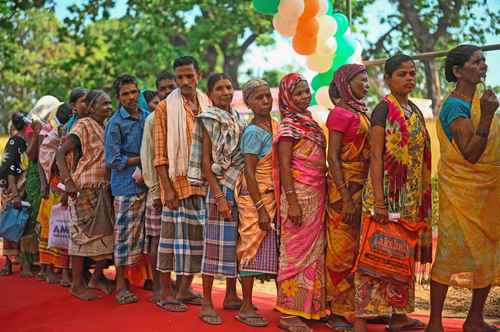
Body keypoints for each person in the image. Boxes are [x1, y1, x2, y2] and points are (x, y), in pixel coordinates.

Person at [354, 54, 432, 332]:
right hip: (384, 195)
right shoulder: (382, 111)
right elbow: (376, 157)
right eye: (402, 74)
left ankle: (399, 316)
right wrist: (379, 201)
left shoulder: (416, 111)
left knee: (401, 258)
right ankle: (361, 320)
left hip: (409, 199)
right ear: (387, 79)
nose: (409, 78)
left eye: (412, 73)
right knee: (373, 257)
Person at [426, 45, 499, 332]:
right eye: (476, 62)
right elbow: (470, 152)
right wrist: (489, 116)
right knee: (447, 253)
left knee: (488, 253)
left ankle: (474, 318)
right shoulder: (456, 106)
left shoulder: (480, 100)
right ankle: (434, 323)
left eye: (484, 61)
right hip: (461, 192)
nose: (483, 66)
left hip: (487, 194)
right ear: (458, 71)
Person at [188, 73, 246, 325]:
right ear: (210, 94)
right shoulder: (208, 118)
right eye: (219, 88)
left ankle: (232, 295)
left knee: (234, 244)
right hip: (219, 189)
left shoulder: (237, 117)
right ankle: (207, 302)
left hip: (240, 185)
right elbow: (205, 163)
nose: (225, 92)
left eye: (229, 87)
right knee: (214, 245)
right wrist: (220, 196)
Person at [153, 56, 210, 312]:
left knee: (197, 242)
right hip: (177, 185)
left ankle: (185, 289)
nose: (185, 81)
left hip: (204, 184)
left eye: (189, 76)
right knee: (170, 243)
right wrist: (166, 188)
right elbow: (160, 154)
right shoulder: (165, 108)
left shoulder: (206, 104)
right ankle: (166, 293)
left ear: (199, 75)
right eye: (180, 77)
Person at [275, 73, 327, 332]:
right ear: (287, 97)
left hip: (317, 195)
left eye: (306, 91)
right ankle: (288, 312)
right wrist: (292, 202)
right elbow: (284, 165)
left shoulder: (312, 122)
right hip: (298, 196)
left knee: (315, 252)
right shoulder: (287, 125)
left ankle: (308, 309)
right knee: (295, 253)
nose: (305, 97)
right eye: (298, 93)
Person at [56, 90, 115, 301]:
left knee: (105, 236)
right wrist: (68, 181)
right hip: (84, 187)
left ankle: (96, 278)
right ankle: (76, 284)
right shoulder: (83, 125)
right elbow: (60, 152)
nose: (108, 107)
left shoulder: (106, 126)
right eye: (103, 104)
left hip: (103, 188)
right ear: (91, 108)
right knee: (80, 237)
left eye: (110, 103)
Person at [324, 64, 370, 330]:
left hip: (362, 186)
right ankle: (337, 312)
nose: (366, 85)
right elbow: (333, 157)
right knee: (340, 251)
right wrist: (346, 196)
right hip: (344, 191)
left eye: (367, 80)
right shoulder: (340, 113)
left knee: (357, 251)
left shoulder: (361, 111)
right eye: (361, 81)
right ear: (346, 83)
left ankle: (356, 307)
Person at [234, 79, 279, 327]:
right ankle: (245, 305)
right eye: (258, 98)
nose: (265, 101)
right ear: (249, 102)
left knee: (271, 248)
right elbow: (250, 173)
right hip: (255, 198)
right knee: (249, 246)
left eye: (267, 97)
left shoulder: (275, 125)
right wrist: (261, 208)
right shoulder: (252, 132)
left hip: (272, 196)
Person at [104, 74, 149, 304]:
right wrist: (139, 159)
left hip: (148, 184)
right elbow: (112, 159)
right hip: (125, 187)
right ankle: (120, 285)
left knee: (144, 237)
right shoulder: (115, 123)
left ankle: (144, 280)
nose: (131, 97)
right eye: (125, 94)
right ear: (118, 98)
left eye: (134, 92)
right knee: (124, 238)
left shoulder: (147, 116)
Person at [141, 73, 177, 302]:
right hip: (158, 191)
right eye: (162, 88)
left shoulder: (184, 114)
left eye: (170, 87)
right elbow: (148, 157)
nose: (166, 92)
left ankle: (174, 284)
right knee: (157, 239)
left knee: (178, 239)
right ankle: (157, 284)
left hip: (183, 190)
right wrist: (155, 190)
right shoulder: (153, 120)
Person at [37, 102, 73, 286]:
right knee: (50, 228)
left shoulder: (72, 133)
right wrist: (44, 184)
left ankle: (64, 271)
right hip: (55, 186)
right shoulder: (54, 134)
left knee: (64, 229)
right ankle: (49, 269)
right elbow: (43, 161)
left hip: (66, 186)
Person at [0, 112, 30, 276]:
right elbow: (10, 170)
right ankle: (8, 264)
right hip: (13, 188)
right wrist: (15, 194)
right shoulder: (15, 142)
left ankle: (19, 261)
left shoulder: (21, 141)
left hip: (17, 187)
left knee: (20, 224)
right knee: (11, 222)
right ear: (27, 125)